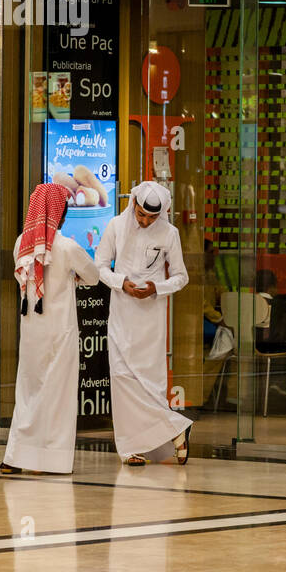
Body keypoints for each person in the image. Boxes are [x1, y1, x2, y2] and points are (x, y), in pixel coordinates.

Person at [2, 183, 100, 475]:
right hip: (60, 332)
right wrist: (72, 280)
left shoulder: (22, 243)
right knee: (58, 395)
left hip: (31, 331)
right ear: (61, 213)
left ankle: (16, 456)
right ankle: (51, 461)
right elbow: (93, 276)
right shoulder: (67, 247)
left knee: (29, 391)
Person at [95, 181, 194, 466]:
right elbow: (101, 266)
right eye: (140, 214)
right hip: (122, 313)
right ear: (134, 205)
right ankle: (167, 432)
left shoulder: (169, 233)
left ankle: (160, 438)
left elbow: (180, 276)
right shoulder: (116, 225)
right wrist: (120, 282)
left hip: (151, 319)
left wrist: (156, 288)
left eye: (151, 217)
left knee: (149, 385)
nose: (145, 220)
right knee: (122, 378)